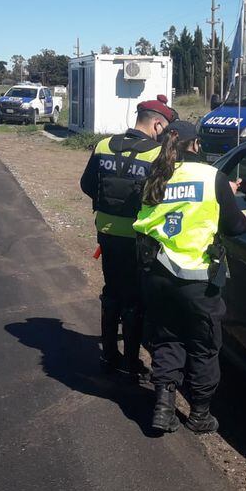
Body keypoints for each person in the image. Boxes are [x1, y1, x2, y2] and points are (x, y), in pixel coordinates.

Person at [133, 120, 246, 434]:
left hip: (157, 272)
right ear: (195, 144)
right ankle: (199, 415)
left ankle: (162, 407)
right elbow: (235, 228)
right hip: (198, 278)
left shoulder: (153, 175)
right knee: (203, 344)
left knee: (167, 338)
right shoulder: (213, 177)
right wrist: (236, 204)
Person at [79, 94, 177, 379]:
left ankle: (109, 355)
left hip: (107, 232)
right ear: (157, 125)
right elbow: (162, 197)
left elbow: (86, 184)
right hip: (138, 237)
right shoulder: (156, 154)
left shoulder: (103, 145)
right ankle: (131, 362)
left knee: (111, 292)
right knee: (134, 299)